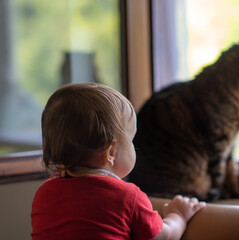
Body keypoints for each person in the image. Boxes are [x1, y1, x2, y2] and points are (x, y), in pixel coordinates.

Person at [31, 83, 206, 240]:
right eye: (131, 139)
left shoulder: (44, 193)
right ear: (111, 153)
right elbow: (164, 236)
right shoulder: (127, 196)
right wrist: (178, 215)